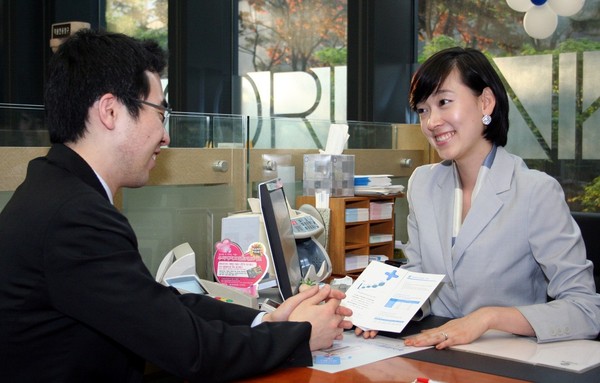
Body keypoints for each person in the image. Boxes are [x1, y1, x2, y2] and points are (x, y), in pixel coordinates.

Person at [0, 29, 352, 382]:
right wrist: (301, 337)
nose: (166, 136)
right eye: (160, 114)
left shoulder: (57, 191)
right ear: (109, 111)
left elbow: (158, 305)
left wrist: (266, 320)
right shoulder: (74, 217)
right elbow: (189, 349)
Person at [356, 47, 600, 348]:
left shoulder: (535, 191)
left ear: (485, 102)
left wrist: (488, 318)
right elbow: (416, 277)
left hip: (510, 358)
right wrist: (376, 312)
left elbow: (585, 310)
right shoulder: (423, 182)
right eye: (423, 109)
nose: (431, 122)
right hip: (435, 354)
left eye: (444, 102)